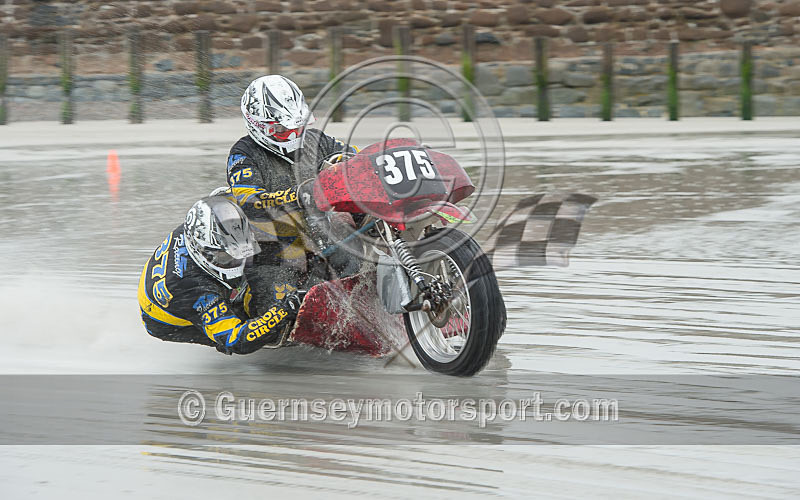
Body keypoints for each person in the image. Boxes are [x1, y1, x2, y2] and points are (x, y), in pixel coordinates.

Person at [224, 75, 360, 314]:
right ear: (258, 125)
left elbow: (360, 160)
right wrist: (300, 195)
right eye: (281, 130)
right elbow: (249, 202)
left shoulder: (318, 140)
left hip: (324, 230)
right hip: (273, 243)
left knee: (358, 230)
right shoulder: (243, 154)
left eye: (297, 126)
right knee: (273, 292)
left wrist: (349, 162)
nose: (292, 135)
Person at [138, 196, 301, 355]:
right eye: (225, 258)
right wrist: (283, 310)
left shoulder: (211, 218)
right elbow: (236, 340)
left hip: (182, 274)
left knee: (263, 251)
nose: (237, 262)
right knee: (239, 327)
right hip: (164, 320)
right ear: (201, 250)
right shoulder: (190, 288)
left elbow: (242, 197)